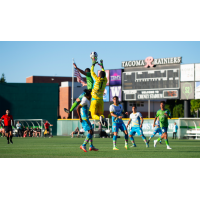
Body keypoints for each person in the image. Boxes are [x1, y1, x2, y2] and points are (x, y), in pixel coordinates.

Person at [90, 56, 108, 126]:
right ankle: (102, 117)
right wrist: (102, 66)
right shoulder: (105, 80)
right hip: (101, 100)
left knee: (93, 115)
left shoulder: (97, 79)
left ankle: (99, 117)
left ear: (99, 76)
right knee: (101, 114)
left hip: (94, 100)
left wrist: (93, 64)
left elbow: (91, 72)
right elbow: (104, 74)